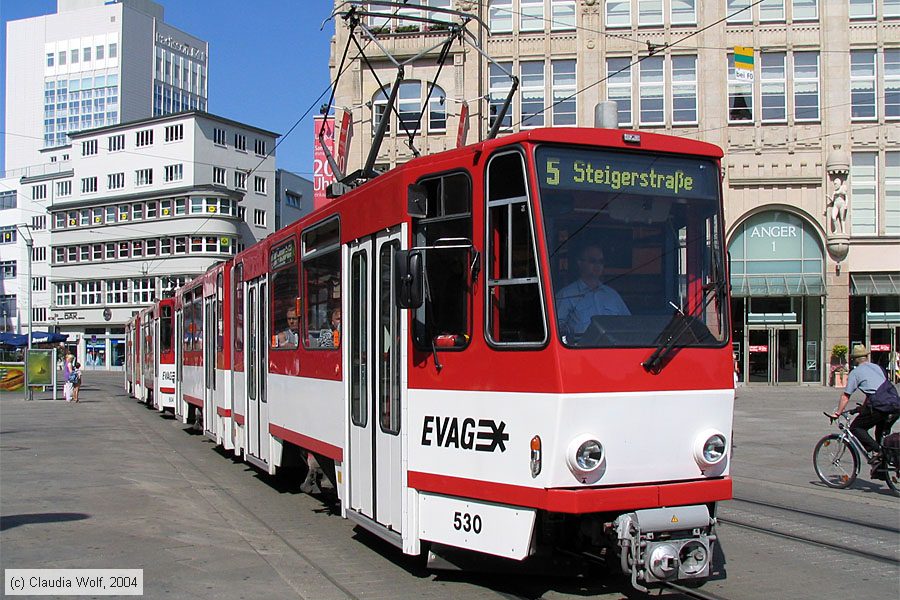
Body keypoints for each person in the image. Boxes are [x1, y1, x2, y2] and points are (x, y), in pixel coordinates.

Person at [832, 344, 900, 464]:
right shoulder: (878, 368)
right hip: (895, 405)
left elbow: (846, 396)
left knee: (856, 428)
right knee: (880, 433)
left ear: (854, 359)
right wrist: (863, 408)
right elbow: (875, 391)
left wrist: (838, 412)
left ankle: (879, 451)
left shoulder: (855, 372)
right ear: (866, 357)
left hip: (880, 406)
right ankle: (881, 466)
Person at [556, 243, 630, 339]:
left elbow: (628, 324)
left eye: (601, 261)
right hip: (580, 351)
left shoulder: (612, 295)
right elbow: (556, 330)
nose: (597, 265)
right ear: (579, 263)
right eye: (592, 261)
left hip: (613, 350)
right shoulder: (566, 295)